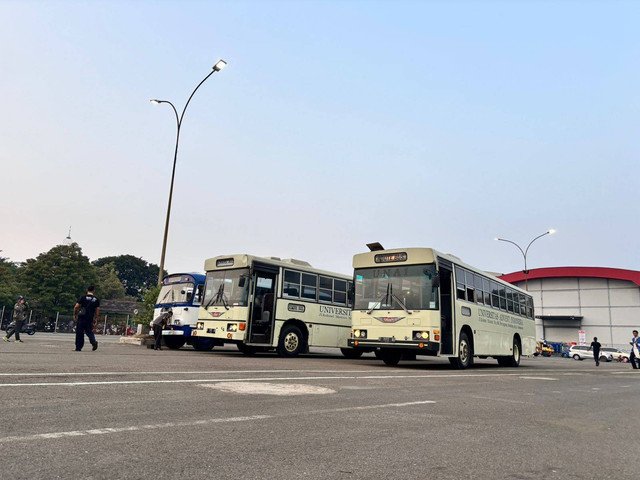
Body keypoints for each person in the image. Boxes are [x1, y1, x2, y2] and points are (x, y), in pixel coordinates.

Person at [73, 286, 100, 352]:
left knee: (80, 332)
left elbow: (76, 306)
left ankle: (78, 347)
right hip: (90, 318)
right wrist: (96, 318)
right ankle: (93, 342)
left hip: (82, 317)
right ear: (94, 291)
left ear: (87, 290)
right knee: (89, 331)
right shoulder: (96, 299)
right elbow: (97, 310)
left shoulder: (83, 297)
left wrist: (74, 314)